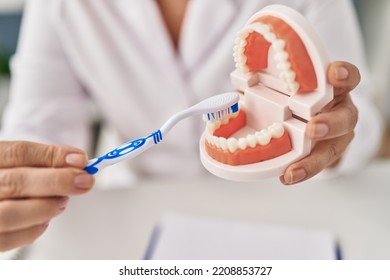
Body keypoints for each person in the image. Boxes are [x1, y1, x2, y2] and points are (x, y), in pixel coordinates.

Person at [0, 0, 383, 251]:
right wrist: (23, 186)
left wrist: (332, 140)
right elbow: (38, 127)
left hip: (287, 209)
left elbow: (353, 116)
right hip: (134, 211)